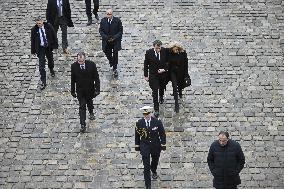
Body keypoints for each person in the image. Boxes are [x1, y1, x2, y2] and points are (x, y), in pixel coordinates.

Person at [135, 106, 166, 189]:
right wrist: (137, 146)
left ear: (151, 113)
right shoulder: (139, 123)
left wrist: (163, 144)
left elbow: (162, 133)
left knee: (155, 160)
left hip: (155, 145)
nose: (146, 116)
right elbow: (137, 135)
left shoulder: (157, 122)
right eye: (145, 114)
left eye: (148, 114)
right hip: (145, 146)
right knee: (146, 166)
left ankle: (154, 170)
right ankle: (148, 186)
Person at [71, 52, 100, 132]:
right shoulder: (73, 66)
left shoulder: (91, 65)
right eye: (79, 61)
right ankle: (83, 124)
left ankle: (91, 112)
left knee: (89, 102)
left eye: (82, 61)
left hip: (90, 89)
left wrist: (98, 89)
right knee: (82, 106)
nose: (80, 62)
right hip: (80, 91)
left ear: (85, 59)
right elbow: (73, 79)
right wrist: (72, 91)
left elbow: (96, 78)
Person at [31, 16, 58, 90]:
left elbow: (54, 36)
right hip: (41, 49)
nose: (38, 25)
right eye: (37, 23)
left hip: (48, 47)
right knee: (41, 66)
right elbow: (32, 40)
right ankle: (43, 81)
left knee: (51, 60)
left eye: (39, 23)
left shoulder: (48, 26)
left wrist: (55, 46)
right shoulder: (34, 30)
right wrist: (33, 51)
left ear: (42, 21)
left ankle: (51, 69)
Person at [144, 40, 168, 117]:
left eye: (159, 48)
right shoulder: (149, 52)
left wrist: (164, 69)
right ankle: (156, 109)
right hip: (153, 75)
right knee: (155, 92)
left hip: (162, 74)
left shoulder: (164, 51)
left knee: (161, 87)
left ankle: (161, 96)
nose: (158, 50)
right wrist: (146, 75)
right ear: (154, 46)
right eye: (157, 48)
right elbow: (146, 64)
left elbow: (168, 62)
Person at [99, 8, 123, 78]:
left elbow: (120, 31)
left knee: (115, 54)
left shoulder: (117, 21)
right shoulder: (103, 21)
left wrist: (114, 37)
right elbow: (101, 31)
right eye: (107, 14)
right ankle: (111, 62)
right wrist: (106, 37)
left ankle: (114, 68)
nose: (109, 15)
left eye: (110, 14)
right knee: (107, 53)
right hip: (106, 41)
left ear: (112, 14)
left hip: (115, 41)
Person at [167, 41, 190, 113]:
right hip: (173, 72)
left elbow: (186, 64)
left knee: (180, 85)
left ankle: (180, 91)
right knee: (174, 87)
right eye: (175, 50)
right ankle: (176, 104)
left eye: (177, 49)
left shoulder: (183, 53)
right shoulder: (170, 54)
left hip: (181, 72)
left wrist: (186, 74)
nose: (176, 51)